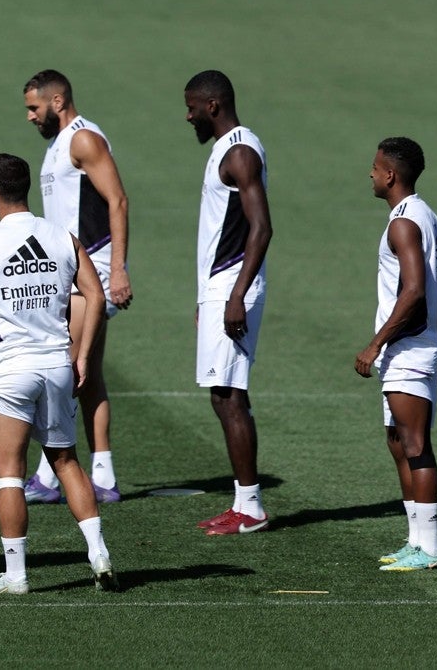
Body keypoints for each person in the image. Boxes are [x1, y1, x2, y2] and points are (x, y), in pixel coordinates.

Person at [0, 153, 117, 594]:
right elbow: (96, 297)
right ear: (26, 188)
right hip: (56, 366)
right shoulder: (63, 238)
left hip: (8, 367)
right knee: (66, 461)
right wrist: (82, 355)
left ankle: (16, 575)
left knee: (9, 474)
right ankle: (99, 553)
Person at [21, 70, 132, 504]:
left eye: (34, 107)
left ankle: (51, 475)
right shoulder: (57, 146)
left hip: (93, 273)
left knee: (64, 367)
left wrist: (118, 270)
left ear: (58, 100)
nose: (30, 116)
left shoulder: (84, 140)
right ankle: (102, 476)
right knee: (88, 375)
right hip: (71, 273)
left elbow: (118, 200)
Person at [183, 70, 273, 535]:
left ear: (213, 106)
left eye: (193, 107)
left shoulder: (239, 151)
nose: (189, 116)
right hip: (220, 287)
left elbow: (261, 228)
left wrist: (234, 295)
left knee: (228, 395)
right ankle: (245, 500)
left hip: (233, 287)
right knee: (225, 394)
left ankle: (250, 507)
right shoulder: (228, 149)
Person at [355, 137, 437, 571]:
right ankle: (415, 541)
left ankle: (429, 547)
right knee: (398, 442)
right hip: (413, 346)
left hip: (407, 349)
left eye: (375, 168)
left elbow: (414, 290)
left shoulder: (404, 223)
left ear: (390, 174)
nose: (371, 174)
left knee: (415, 444)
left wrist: (375, 343)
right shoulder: (422, 215)